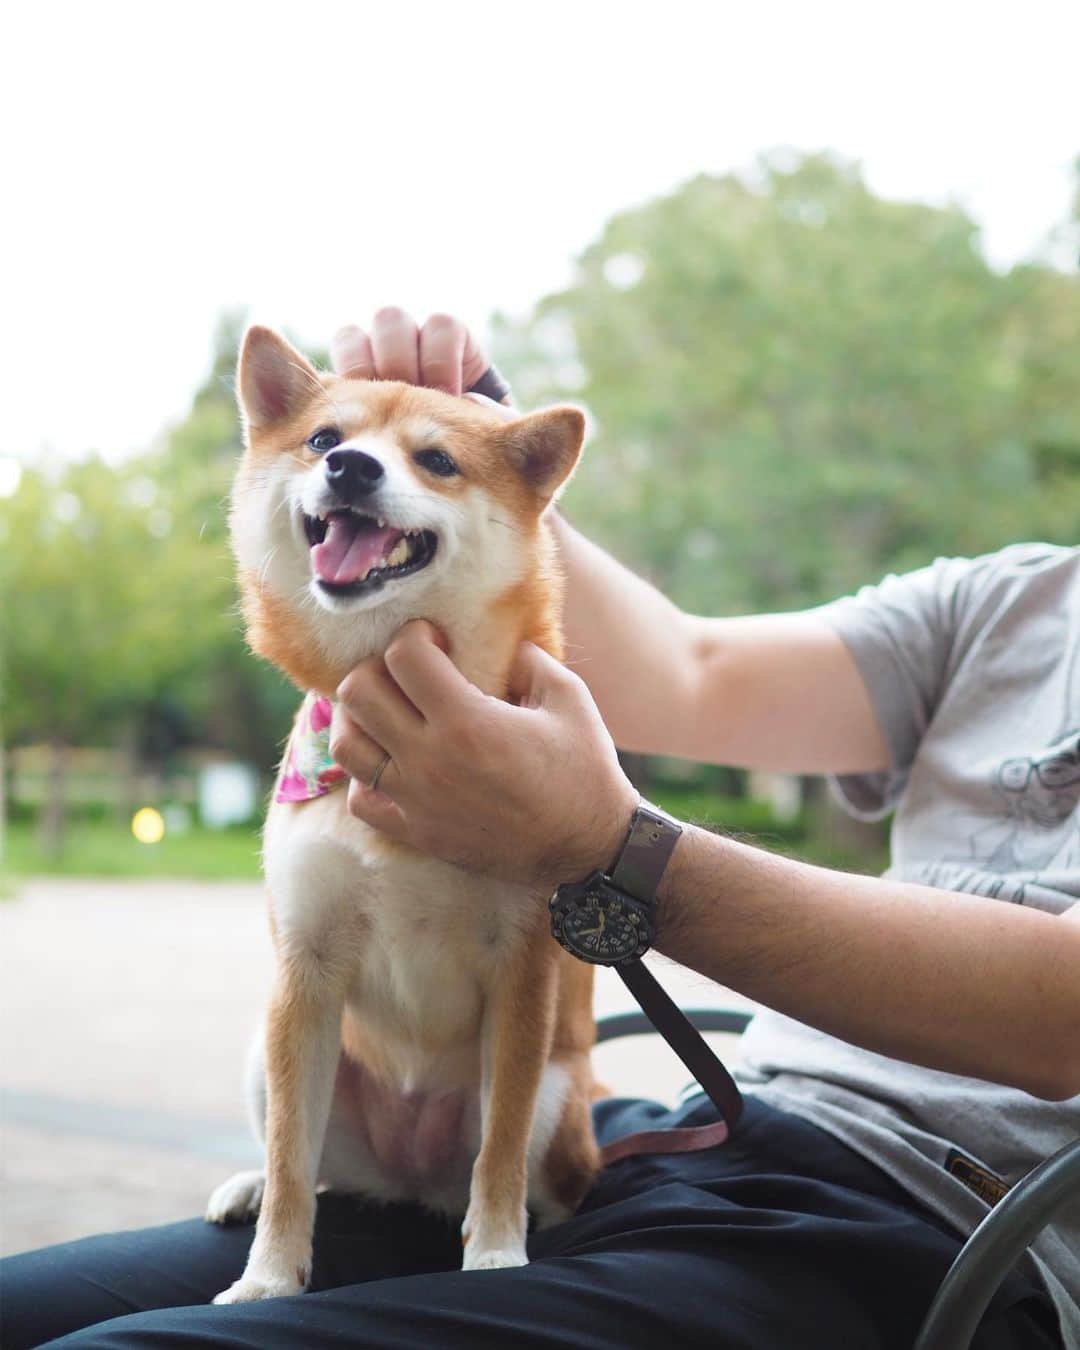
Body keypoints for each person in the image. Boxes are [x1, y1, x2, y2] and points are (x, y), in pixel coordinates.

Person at [2, 309, 1077, 1350]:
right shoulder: (1011, 602)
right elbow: (688, 673)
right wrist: (484, 443)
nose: (360, 459)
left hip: (942, 1230)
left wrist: (611, 849)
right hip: (704, 1136)